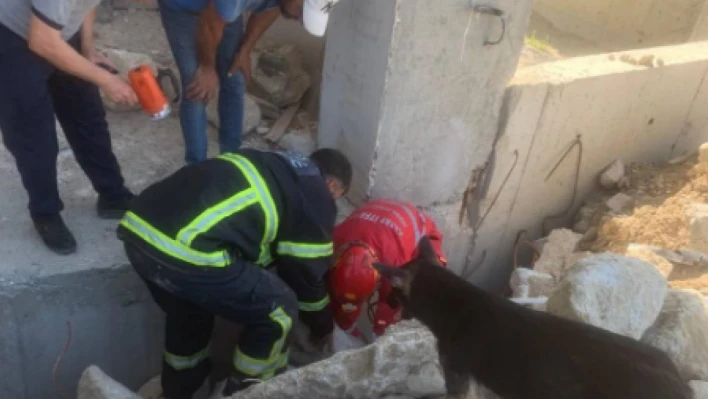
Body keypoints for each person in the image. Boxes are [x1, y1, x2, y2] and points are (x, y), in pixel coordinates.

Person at [117, 148, 352, 398]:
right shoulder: (317, 193)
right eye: (337, 196)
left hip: (139, 233)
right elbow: (306, 277)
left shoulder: (274, 162)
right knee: (278, 310)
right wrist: (322, 326)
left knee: (190, 317)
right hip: (187, 249)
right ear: (331, 184)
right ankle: (246, 391)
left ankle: (177, 392)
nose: (332, 203)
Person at [0, 0, 138, 255]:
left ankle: (112, 195)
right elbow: (41, 41)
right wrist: (107, 80)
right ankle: (46, 214)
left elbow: (85, 4)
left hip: (58, 32)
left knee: (88, 118)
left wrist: (88, 50)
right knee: (34, 138)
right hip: (12, 38)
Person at [158, 0, 339, 164]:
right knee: (197, 90)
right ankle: (197, 169)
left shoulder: (282, 3)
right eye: (300, 11)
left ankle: (231, 160)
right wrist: (206, 68)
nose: (298, 19)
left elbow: (271, 9)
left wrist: (244, 50)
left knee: (235, 79)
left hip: (219, 9)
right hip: (182, 8)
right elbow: (209, 24)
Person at [329, 199, 447, 339]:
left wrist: (380, 333)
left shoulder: (394, 261)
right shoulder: (336, 238)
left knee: (427, 276)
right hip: (380, 214)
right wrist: (347, 326)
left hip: (419, 228)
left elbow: (389, 303)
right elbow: (342, 295)